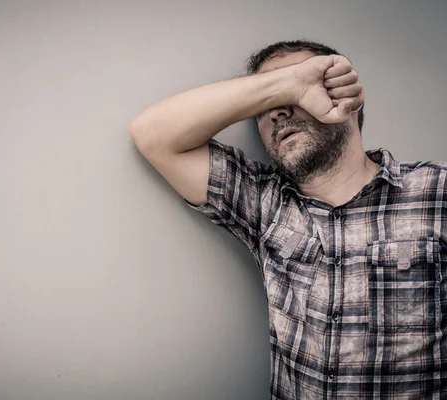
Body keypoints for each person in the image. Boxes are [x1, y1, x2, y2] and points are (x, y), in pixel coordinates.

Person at [129, 40, 447, 399]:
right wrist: (289, 84)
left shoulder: (435, 190)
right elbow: (153, 134)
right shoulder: (265, 202)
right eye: (265, 105)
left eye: (302, 87)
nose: (276, 113)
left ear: (346, 98)